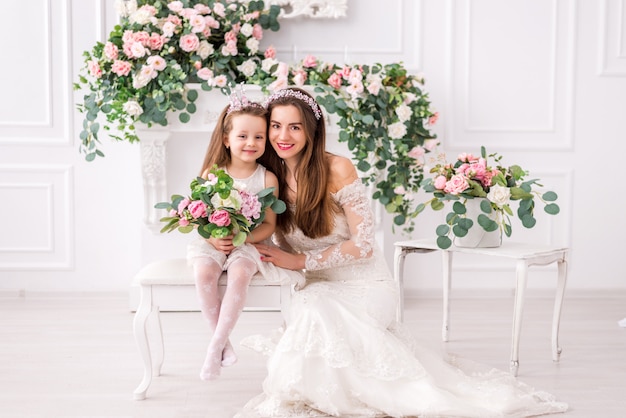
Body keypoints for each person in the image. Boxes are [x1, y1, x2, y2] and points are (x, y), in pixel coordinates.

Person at [234, 87, 569, 417]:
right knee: (313, 305)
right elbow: (259, 226)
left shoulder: (337, 168)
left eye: (295, 126)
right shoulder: (269, 177)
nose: (283, 135)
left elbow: (363, 245)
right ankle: (319, 393)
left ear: (312, 129)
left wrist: (300, 261)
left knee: (320, 309)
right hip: (313, 285)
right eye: (276, 126)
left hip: (365, 284)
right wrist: (224, 235)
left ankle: (364, 396)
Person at [187, 95, 286, 381]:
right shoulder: (213, 174)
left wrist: (243, 239)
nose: (251, 143)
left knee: (241, 271)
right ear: (227, 139)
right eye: (242, 135)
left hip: (249, 243)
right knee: (205, 271)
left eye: (258, 136)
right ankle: (224, 344)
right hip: (214, 242)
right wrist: (213, 240)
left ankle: (213, 348)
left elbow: (269, 225)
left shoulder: (267, 179)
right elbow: (199, 217)